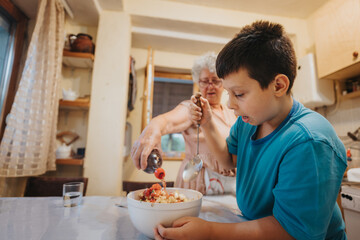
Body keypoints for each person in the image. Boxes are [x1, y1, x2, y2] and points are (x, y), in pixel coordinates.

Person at [154, 21, 347, 240]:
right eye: (228, 93)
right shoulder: (249, 121)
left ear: (278, 86)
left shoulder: (309, 142)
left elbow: (293, 232)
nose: (229, 104)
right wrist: (207, 123)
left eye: (239, 94)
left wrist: (209, 231)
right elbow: (228, 160)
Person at [131, 52, 237, 195]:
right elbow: (166, 122)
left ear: (223, 82)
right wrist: (152, 128)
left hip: (232, 183)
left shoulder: (232, 112)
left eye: (215, 80)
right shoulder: (193, 109)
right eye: (205, 81)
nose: (210, 86)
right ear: (198, 83)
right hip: (198, 181)